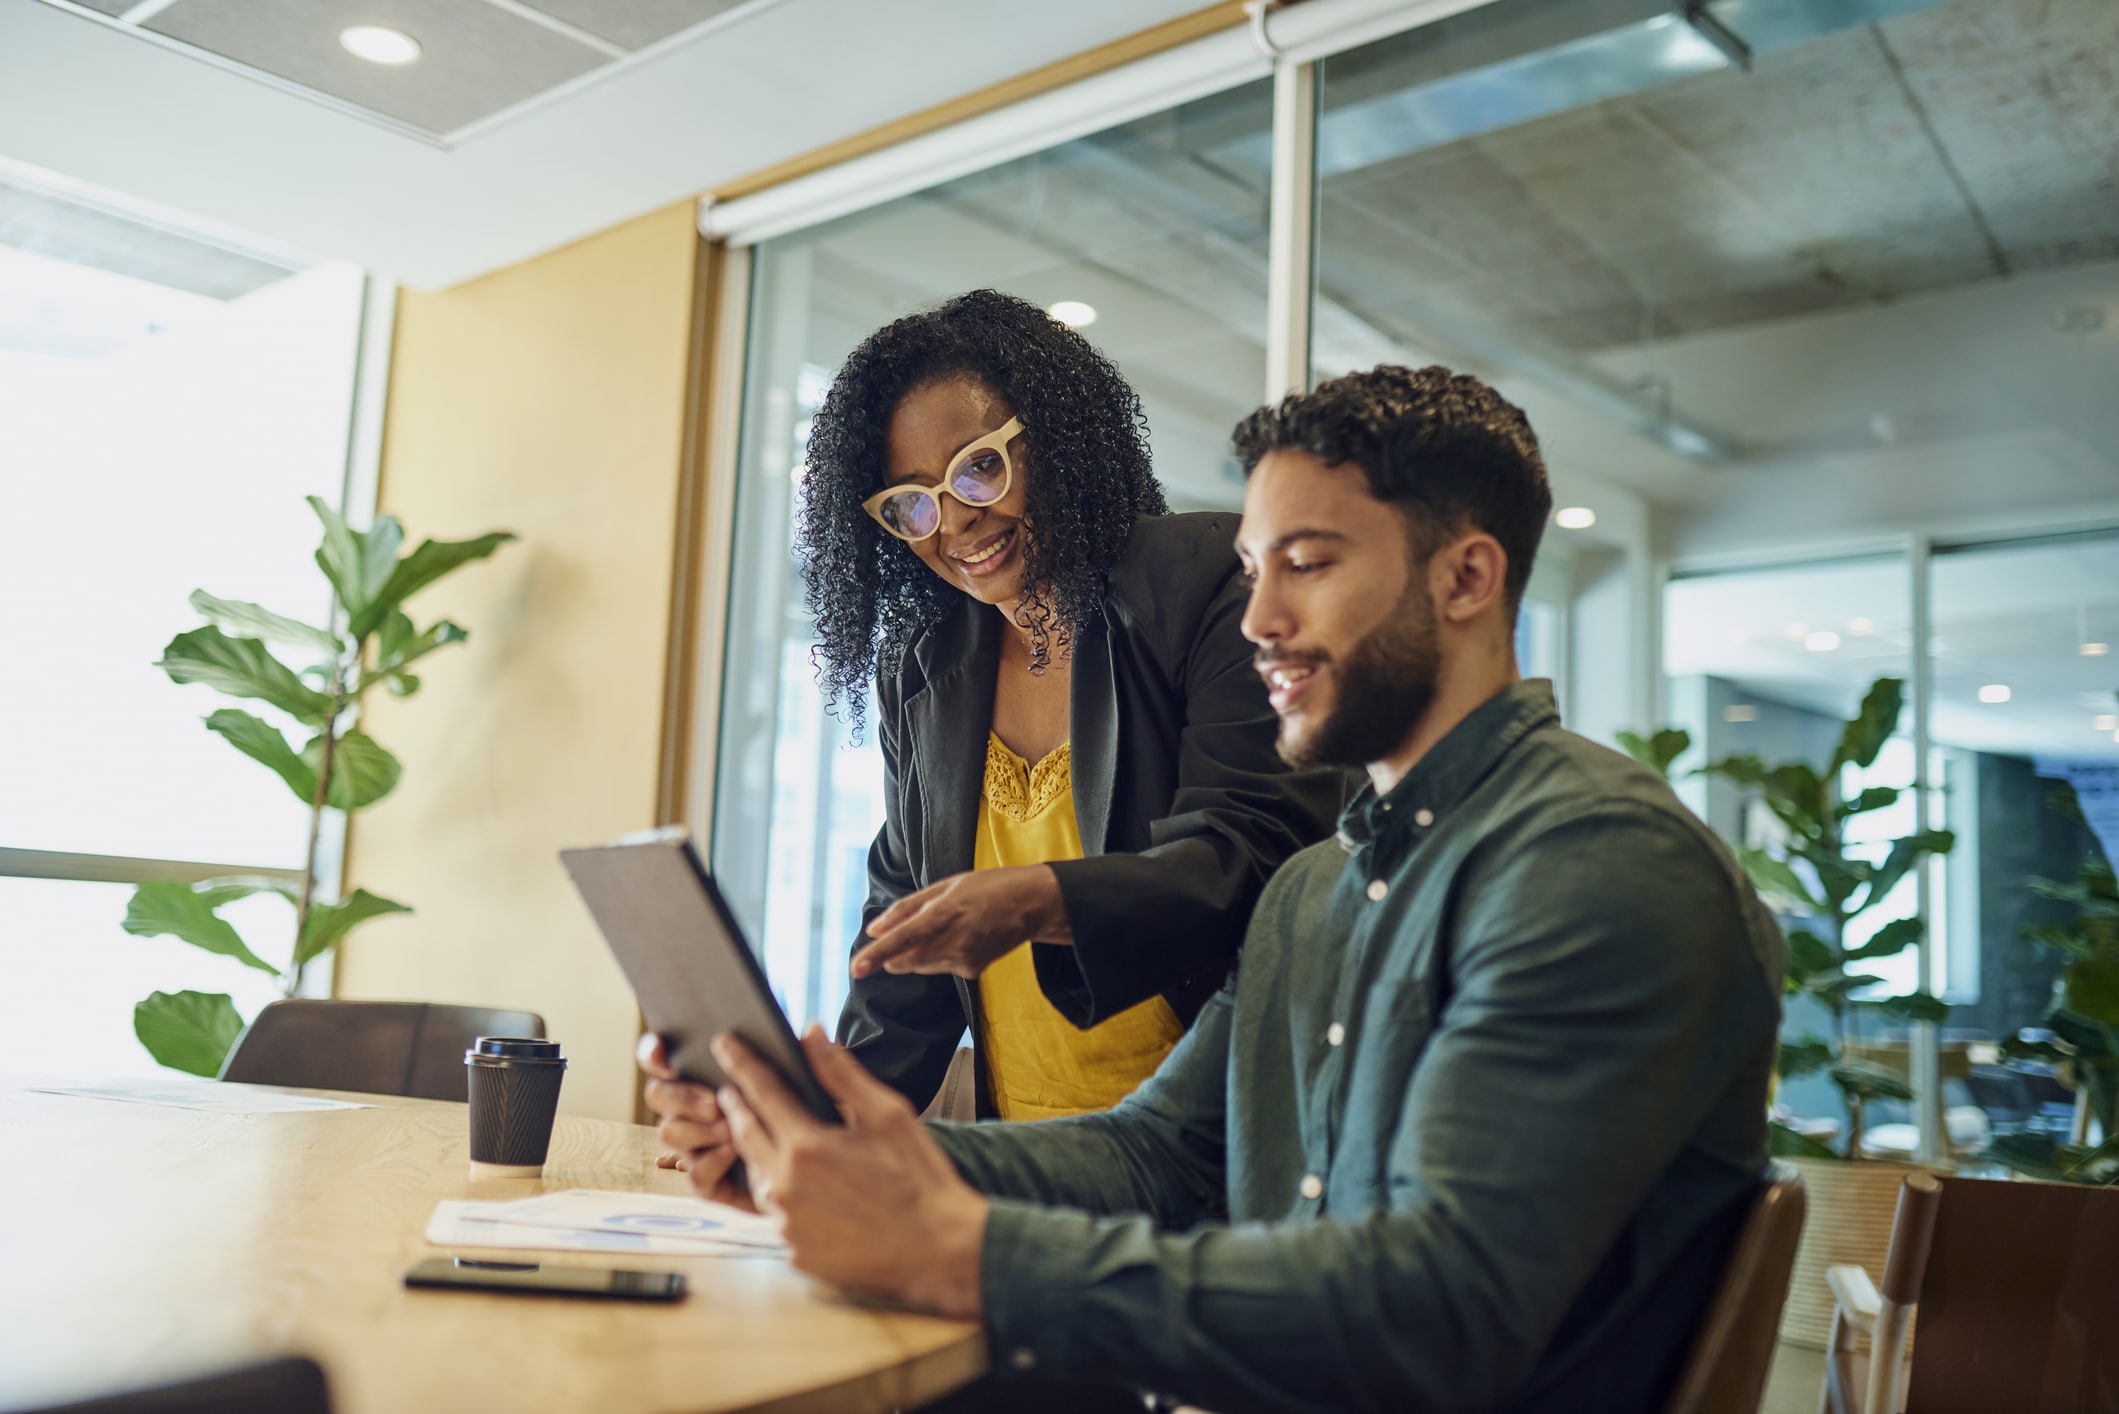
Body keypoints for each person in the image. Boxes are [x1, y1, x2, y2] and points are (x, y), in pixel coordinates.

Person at [647, 364, 1785, 1412]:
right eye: (1252, 570)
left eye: (1309, 563)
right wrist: (839, 1149)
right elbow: (1157, 1156)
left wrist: (960, 1249)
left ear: (1467, 576)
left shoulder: (1593, 863)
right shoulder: (1315, 890)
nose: (1257, 622)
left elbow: (1433, 1314)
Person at [794, 288, 1346, 1121]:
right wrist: (814, 1122)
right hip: (1028, 1156)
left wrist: (1038, 899)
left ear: (1051, 438)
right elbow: (907, 936)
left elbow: (1250, 856)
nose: (954, 523)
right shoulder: (921, 669)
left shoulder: (1209, 585)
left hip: (1222, 1141)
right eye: (911, 503)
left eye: (978, 467)